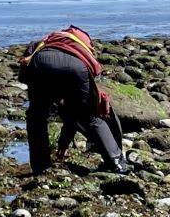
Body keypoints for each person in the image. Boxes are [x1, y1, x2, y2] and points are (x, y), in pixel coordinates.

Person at [21, 26, 127, 175]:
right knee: (88, 117)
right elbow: (72, 115)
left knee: (36, 117)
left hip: (41, 64)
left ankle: (40, 166)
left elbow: (24, 75)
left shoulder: (39, 44)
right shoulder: (81, 46)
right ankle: (117, 163)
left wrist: (42, 97)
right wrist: (63, 144)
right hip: (77, 68)